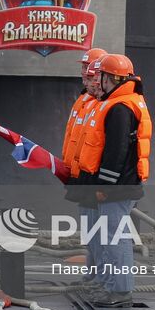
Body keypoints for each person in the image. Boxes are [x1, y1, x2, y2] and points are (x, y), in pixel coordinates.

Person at [76, 53, 151, 307]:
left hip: (118, 186)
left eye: (102, 77)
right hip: (122, 184)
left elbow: (116, 152)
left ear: (111, 78)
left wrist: (104, 187)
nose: (98, 81)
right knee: (109, 236)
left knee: (114, 238)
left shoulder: (120, 107)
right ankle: (111, 286)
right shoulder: (123, 103)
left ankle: (119, 291)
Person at [63, 47, 106, 290]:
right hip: (81, 175)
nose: (84, 74)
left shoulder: (103, 105)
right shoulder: (84, 101)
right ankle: (93, 273)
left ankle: (101, 277)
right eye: (84, 69)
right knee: (91, 231)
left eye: (90, 72)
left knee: (101, 233)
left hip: (95, 179)